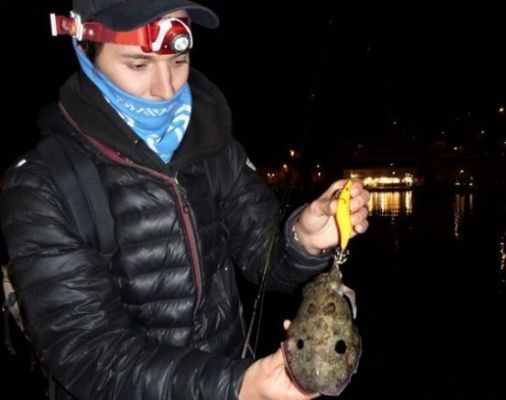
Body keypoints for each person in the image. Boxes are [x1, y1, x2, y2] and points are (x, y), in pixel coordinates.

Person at [0, 1, 370, 399]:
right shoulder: (42, 185)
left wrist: (304, 237)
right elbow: (92, 358)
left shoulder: (214, 144)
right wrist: (236, 386)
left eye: (178, 60)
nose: (166, 89)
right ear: (85, 50)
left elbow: (265, 258)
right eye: (138, 65)